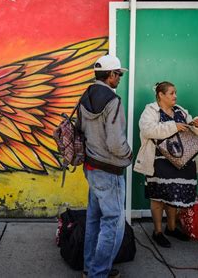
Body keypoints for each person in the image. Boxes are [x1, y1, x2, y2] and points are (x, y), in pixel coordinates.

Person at [78, 54, 132, 278]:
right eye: (118, 74)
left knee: (93, 219)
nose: (119, 78)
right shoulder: (113, 101)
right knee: (113, 223)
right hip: (109, 171)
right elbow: (115, 144)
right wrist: (129, 155)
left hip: (91, 167)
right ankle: (98, 273)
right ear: (110, 75)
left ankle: (90, 268)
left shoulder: (85, 96)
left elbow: (80, 130)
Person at [134, 81, 198, 248]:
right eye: (172, 93)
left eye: (175, 92)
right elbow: (148, 130)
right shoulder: (150, 111)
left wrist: (197, 124)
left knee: (174, 197)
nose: (175, 96)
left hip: (182, 161)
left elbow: (193, 132)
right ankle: (157, 231)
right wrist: (174, 126)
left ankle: (171, 228)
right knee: (158, 197)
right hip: (158, 162)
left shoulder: (180, 111)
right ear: (161, 95)